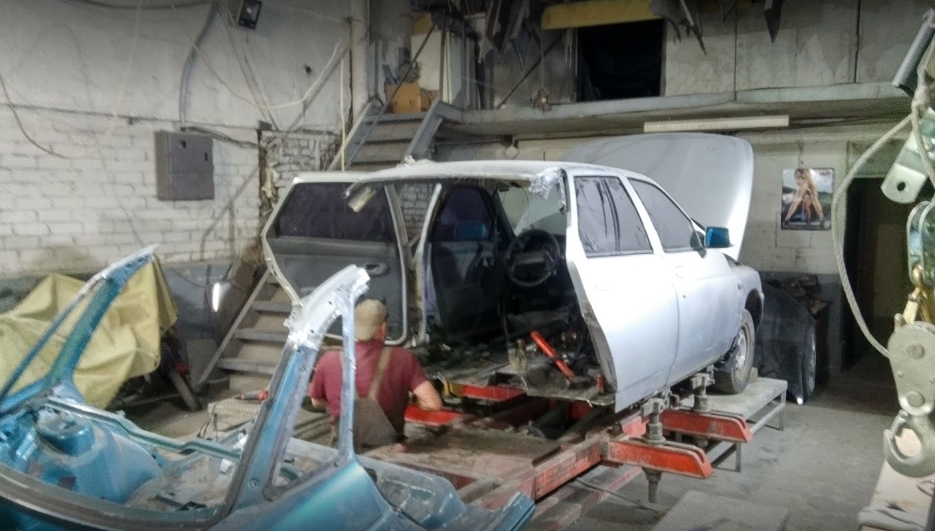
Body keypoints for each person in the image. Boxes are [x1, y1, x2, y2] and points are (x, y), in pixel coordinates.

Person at [308, 298, 442, 452]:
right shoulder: (403, 358)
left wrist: (339, 401)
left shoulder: (329, 359)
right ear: (383, 327)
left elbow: (316, 401)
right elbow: (433, 404)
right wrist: (411, 401)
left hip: (343, 453)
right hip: (388, 455)